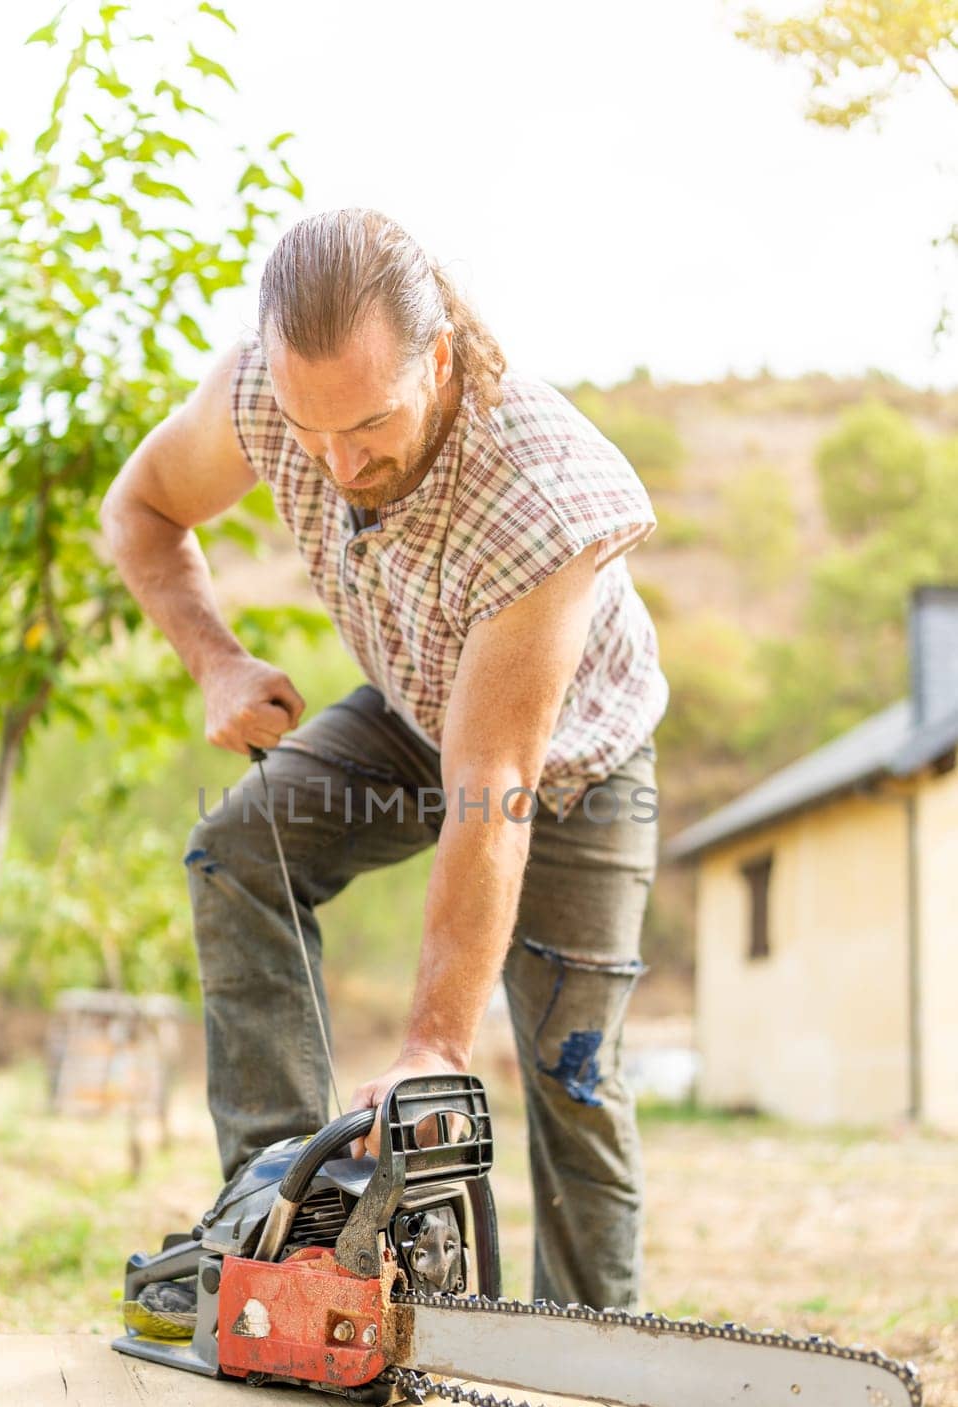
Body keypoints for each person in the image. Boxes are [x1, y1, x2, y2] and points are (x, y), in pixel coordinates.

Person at [101, 206, 668, 1318]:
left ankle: (600, 1350)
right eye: (314, 432)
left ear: (441, 356)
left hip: (570, 766)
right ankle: (275, 1226)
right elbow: (141, 509)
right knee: (235, 853)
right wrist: (213, 659)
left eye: (368, 423)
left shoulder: (541, 495)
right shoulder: (266, 397)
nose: (339, 461)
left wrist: (430, 1045)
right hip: (417, 708)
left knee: (568, 1075)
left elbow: (494, 786)